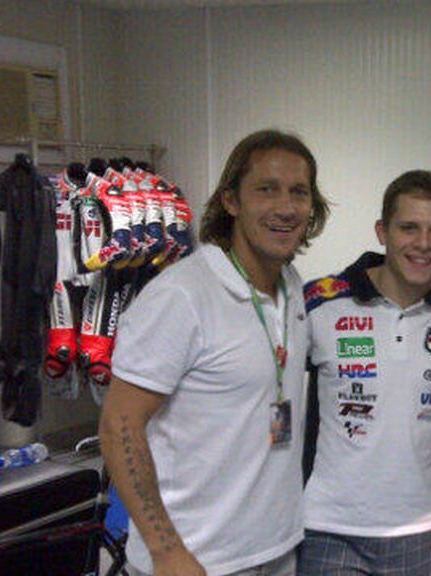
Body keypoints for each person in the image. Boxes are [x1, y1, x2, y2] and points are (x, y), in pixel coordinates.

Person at [99, 129, 330, 576]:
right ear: (231, 201)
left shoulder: (293, 286)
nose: (286, 208)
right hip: (195, 561)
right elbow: (118, 424)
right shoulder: (182, 295)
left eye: (298, 193)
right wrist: (166, 552)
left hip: (277, 550)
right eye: (267, 189)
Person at [299, 170, 431, 575]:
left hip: (417, 527)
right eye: (408, 227)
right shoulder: (320, 303)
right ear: (382, 231)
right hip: (327, 525)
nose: (423, 244)